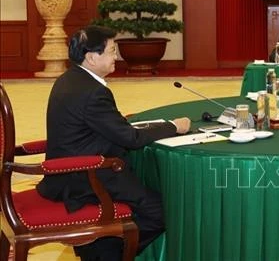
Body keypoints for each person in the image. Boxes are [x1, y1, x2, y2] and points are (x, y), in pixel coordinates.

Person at [36, 25, 191, 261]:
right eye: (110, 51)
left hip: (70, 170)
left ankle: (98, 248)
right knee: (163, 210)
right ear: (91, 57)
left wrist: (122, 124)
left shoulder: (69, 79)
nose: (116, 56)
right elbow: (131, 139)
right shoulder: (92, 92)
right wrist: (174, 127)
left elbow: (102, 127)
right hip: (85, 176)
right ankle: (109, 254)